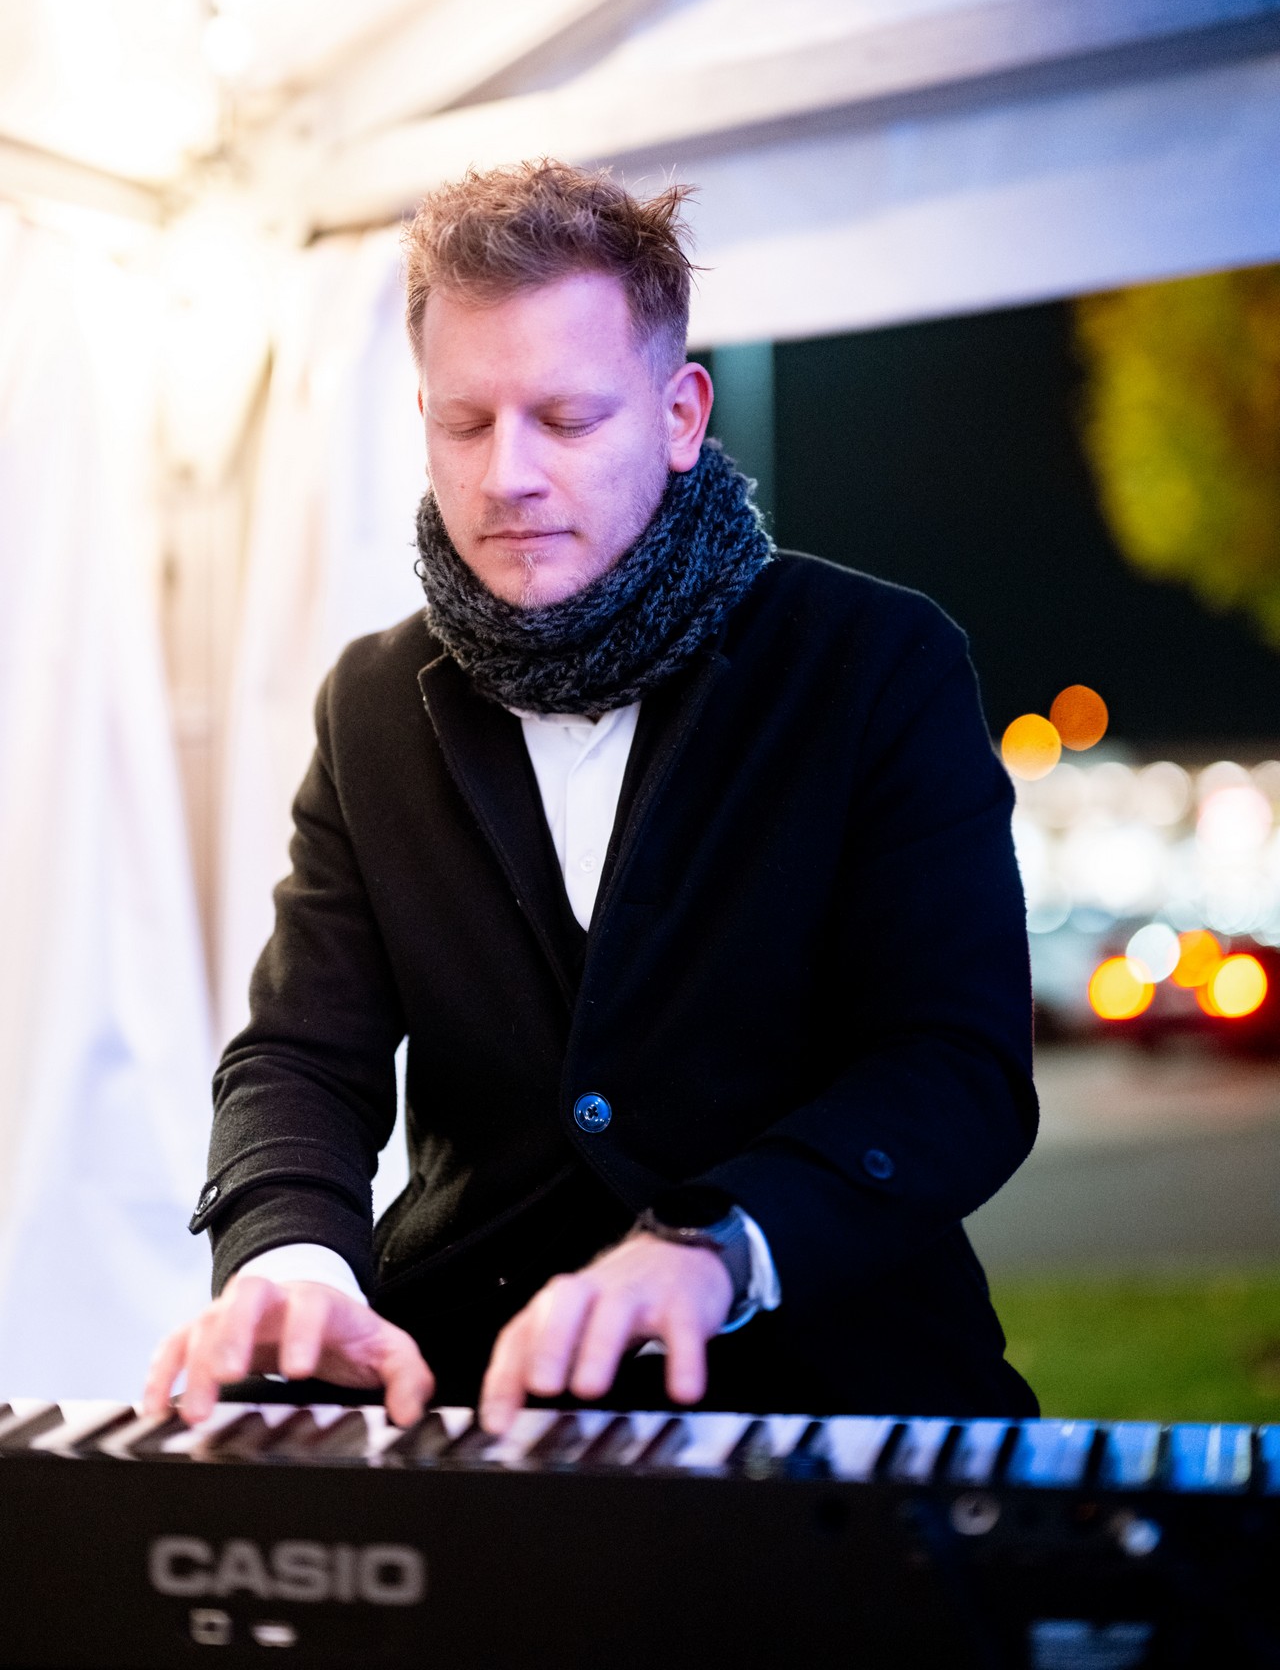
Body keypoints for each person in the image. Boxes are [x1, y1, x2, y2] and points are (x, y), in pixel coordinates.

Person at [145, 159, 1038, 1435]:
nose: (505, 474)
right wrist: (294, 1263)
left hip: (835, 1400)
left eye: (565, 420)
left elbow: (953, 1065)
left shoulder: (876, 663)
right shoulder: (370, 701)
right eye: (465, 424)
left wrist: (717, 1244)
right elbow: (301, 1054)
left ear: (679, 415)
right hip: (470, 1402)